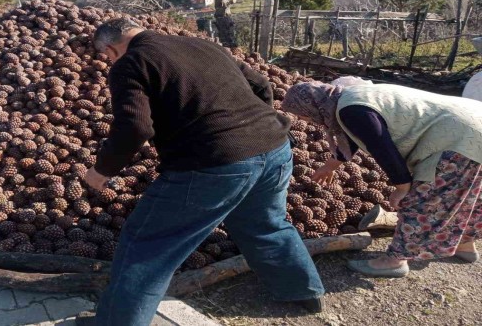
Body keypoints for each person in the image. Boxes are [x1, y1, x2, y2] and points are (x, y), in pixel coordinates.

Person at [77, 18, 325, 326]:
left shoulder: (131, 62)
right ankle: (303, 293)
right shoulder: (200, 44)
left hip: (213, 163)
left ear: (111, 48)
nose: (110, 62)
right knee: (265, 223)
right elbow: (261, 84)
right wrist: (251, 128)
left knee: (147, 245)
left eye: (107, 57)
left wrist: (102, 170)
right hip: (275, 148)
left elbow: (135, 126)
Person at [282, 82, 482, 278]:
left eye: (301, 114)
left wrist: (402, 187)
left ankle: (395, 261)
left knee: (418, 201)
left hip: (459, 139)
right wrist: (331, 165)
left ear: (310, 104)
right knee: (469, 195)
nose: (304, 120)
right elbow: (356, 134)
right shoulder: (347, 98)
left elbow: (383, 148)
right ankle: (464, 243)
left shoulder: (351, 111)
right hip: (474, 123)